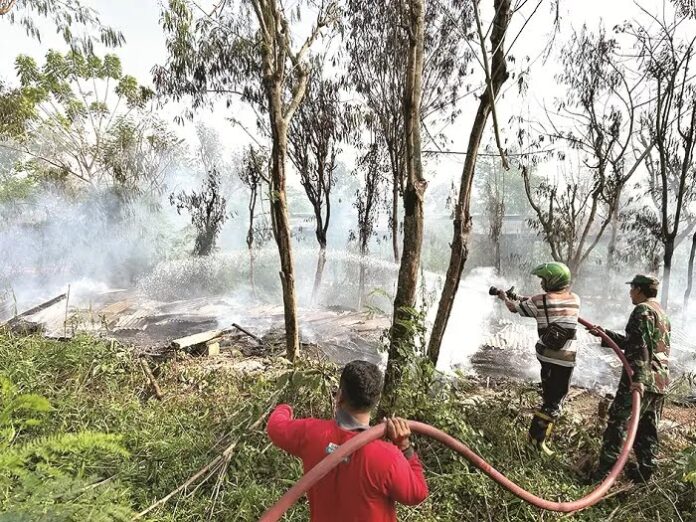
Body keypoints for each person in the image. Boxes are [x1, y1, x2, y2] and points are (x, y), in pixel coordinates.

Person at [267, 360, 428, 521]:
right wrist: (405, 446)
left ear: (340, 395)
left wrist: (285, 408)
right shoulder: (388, 457)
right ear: (376, 401)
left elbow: (275, 427)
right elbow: (417, 494)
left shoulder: (310, 433)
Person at [588, 274, 670, 482]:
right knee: (646, 428)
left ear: (640, 290)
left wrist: (638, 380)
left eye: (632, 288)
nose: (630, 293)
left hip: (639, 380)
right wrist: (604, 334)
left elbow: (641, 348)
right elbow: (634, 341)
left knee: (618, 425)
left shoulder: (642, 310)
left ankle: (603, 475)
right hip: (658, 382)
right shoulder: (661, 313)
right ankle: (645, 473)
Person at [496, 262, 580, 453]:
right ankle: (537, 443)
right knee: (555, 400)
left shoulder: (539, 301)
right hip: (567, 360)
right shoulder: (575, 299)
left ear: (552, 280)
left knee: (551, 403)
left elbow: (513, 308)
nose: (542, 283)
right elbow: (551, 303)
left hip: (549, 358)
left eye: (544, 279)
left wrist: (503, 297)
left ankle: (535, 443)